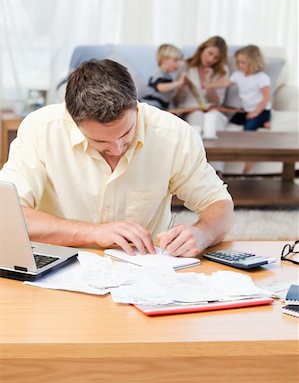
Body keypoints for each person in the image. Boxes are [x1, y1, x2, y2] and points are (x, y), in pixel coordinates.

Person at [0, 59, 234, 258]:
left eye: (126, 133)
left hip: (143, 272)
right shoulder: (41, 129)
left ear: (136, 107)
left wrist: (203, 233)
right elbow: (6, 215)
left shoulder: (173, 135)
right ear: (73, 120)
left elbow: (219, 205)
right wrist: (93, 232)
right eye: (101, 142)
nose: (117, 148)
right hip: (59, 269)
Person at [205, 45, 271, 173]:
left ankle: (250, 162)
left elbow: (266, 97)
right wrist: (210, 85)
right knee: (233, 122)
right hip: (245, 109)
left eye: (244, 62)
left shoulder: (261, 77)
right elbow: (224, 83)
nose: (240, 65)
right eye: (238, 62)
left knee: (249, 127)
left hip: (261, 109)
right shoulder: (238, 75)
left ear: (254, 62)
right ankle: (264, 122)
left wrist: (256, 112)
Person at [174, 36, 230, 133]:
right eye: (210, 53)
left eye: (216, 58)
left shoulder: (222, 70)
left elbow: (217, 102)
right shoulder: (185, 66)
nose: (211, 59)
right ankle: (198, 147)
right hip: (190, 109)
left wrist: (209, 85)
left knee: (214, 117)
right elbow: (176, 102)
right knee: (197, 116)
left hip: (212, 108)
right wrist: (180, 89)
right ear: (202, 49)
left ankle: (219, 147)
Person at [141, 44, 187, 110]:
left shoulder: (169, 78)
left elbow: (170, 98)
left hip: (159, 108)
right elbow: (160, 88)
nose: (178, 64)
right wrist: (179, 83)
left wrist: (180, 88)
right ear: (164, 60)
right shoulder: (158, 74)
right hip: (149, 105)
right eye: (175, 61)